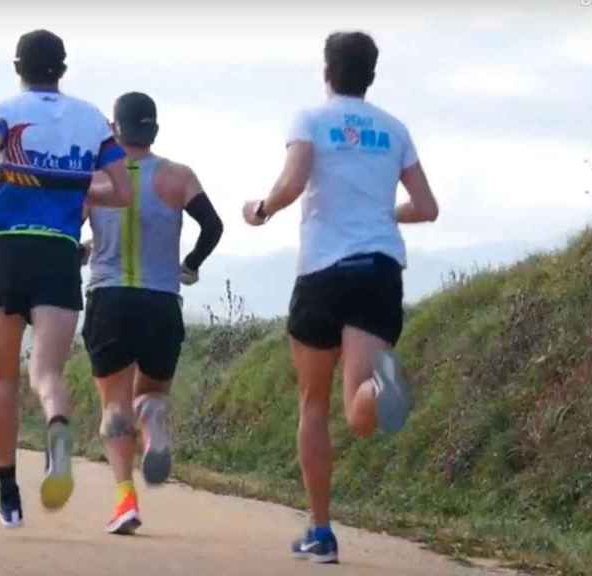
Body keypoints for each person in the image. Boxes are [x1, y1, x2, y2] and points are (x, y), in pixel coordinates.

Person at [242, 31, 439, 563]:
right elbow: (427, 206)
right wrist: (382, 214)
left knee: (313, 404)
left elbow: (292, 181)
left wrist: (261, 208)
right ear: (370, 75)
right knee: (358, 409)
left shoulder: (311, 119)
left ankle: (321, 532)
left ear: (327, 71)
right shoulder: (395, 129)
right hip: (377, 269)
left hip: (324, 272)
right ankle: (384, 387)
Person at [0, 29, 132, 528]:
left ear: (19, 67)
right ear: (62, 68)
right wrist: (75, 184)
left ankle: (9, 493)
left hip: (9, 247)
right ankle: (56, 424)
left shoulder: (6, 109)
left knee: (3, 376)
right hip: (58, 252)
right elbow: (120, 190)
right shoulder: (92, 118)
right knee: (48, 373)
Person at [84, 92, 224, 534]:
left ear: (115, 130)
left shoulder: (95, 180)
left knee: (113, 407)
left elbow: (70, 237)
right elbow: (214, 226)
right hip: (162, 300)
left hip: (109, 298)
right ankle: (155, 422)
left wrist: (85, 252)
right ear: (155, 130)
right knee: (151, 393)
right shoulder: (179, 176)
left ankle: (126, 500)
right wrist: (191, 266)